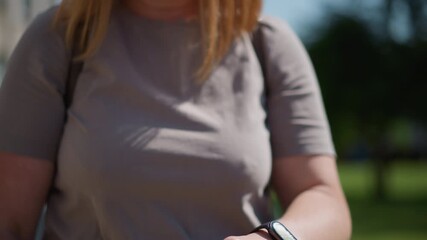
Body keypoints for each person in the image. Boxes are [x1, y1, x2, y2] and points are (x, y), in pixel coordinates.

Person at [0, 0, 352, 239]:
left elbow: (322, 197)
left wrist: (269, 238)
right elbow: (10, 222)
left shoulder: (268, 45)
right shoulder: (58, 38)